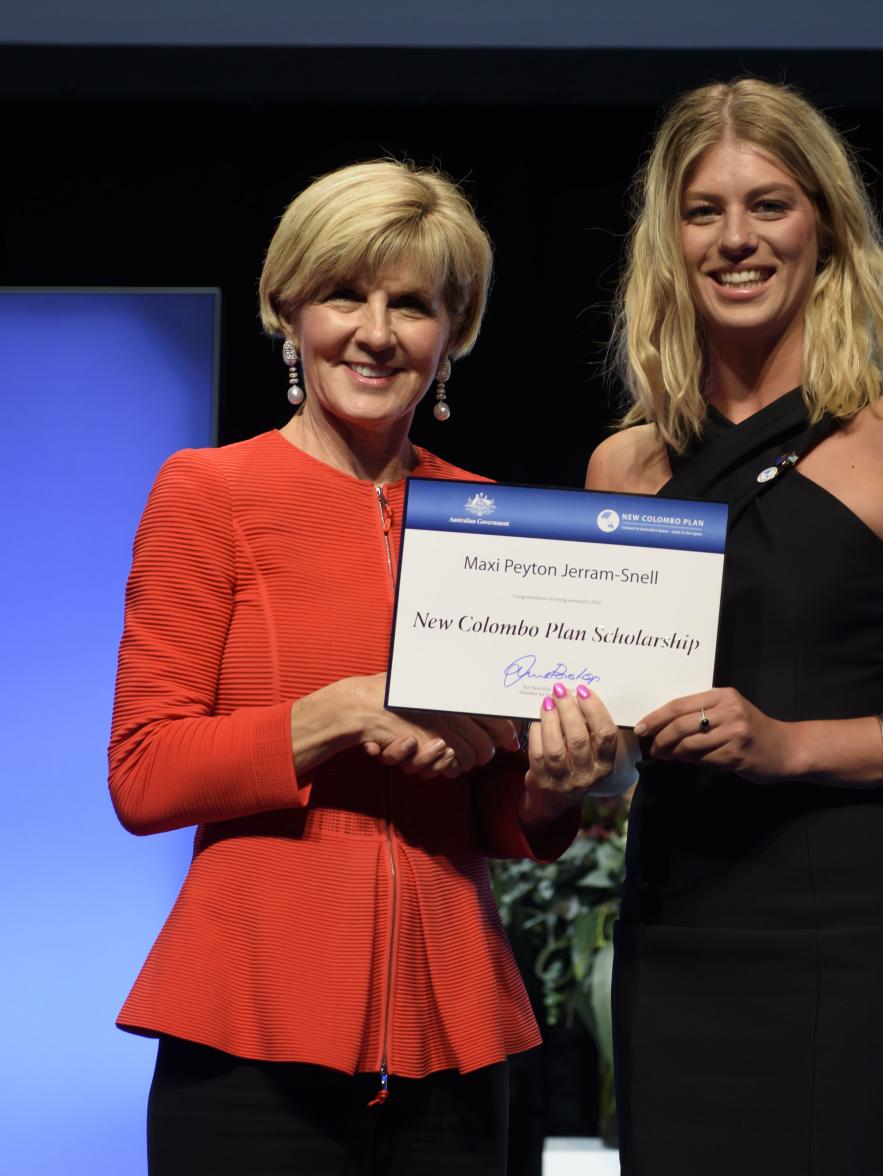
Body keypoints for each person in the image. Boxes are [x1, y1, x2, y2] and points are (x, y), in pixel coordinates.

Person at [108, 159, 616, 1176]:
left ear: (452, 331)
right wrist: (340, 711)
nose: (377, 332)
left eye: (413, 304)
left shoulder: (491, 513)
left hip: (455, 1032)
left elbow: (494, 811)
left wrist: (557, 792)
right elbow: (144, 772)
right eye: (345, 294)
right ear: (288, 308)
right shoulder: (210, 492)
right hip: (247, 1033)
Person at [587, 79, 883, 1175]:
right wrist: (580, 761)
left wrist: (792, 744)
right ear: (670, 240)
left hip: (854, 943)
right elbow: (612, 736)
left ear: (826, 229)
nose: (736, 239)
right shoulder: (625, 466)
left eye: (770, 205)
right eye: (704, 211)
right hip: (675, 936)